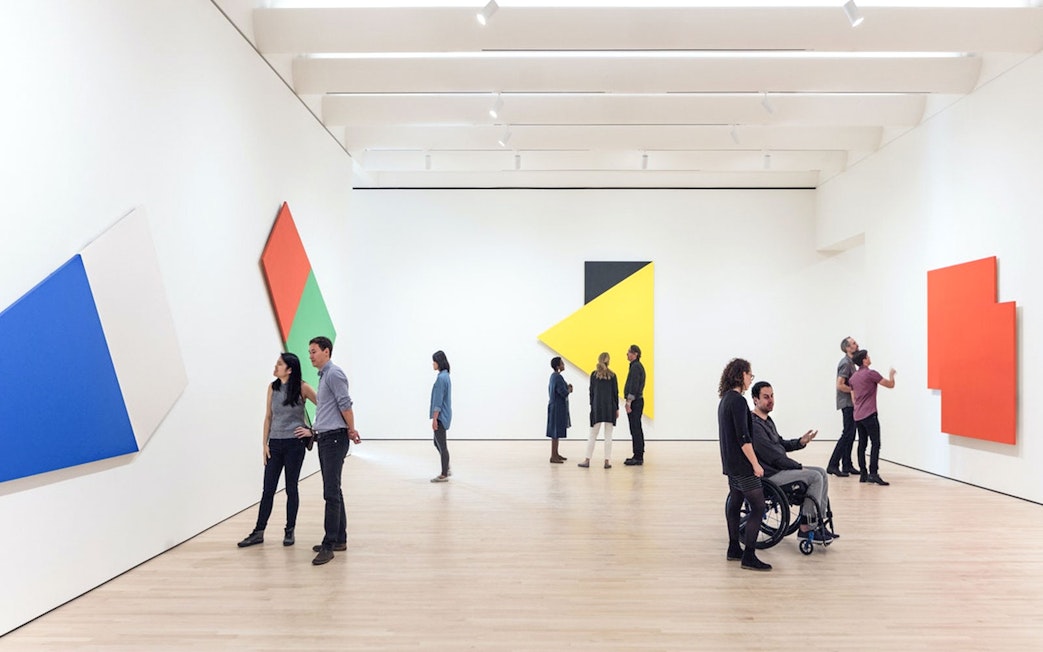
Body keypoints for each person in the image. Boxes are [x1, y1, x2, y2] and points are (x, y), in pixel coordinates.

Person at [237, 352, 317, 549]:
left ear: (289, 369)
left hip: (294, 445)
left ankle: (290, 531)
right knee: (268, 490)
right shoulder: (272, 388)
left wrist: (311, 430)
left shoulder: (303, 387)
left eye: (279, 364)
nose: (275, 367)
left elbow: (325, 407)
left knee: (291, 488)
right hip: (275, 444)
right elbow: (268, 417)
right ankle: (258, 532)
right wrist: (264, 444)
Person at [295, 336, 361, 566]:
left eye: (314, 351)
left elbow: (346, 405)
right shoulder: (324, 376)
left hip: (334, 439)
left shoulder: (334, 374)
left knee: (330, 493)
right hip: (325, 438)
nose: (310, 355)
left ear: (326, 351)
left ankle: (329, 543)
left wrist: (351, 430)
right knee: (335, 490)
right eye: (309, 351)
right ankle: (340, 539)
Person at [749, 381, 838, 542]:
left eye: (772, 396)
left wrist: (800, 442)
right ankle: (806, 527)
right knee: (814, 477)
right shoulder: (755, 425)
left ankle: (818, 522)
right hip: (770, 474)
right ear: (755, 400)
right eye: (766, 397)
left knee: (821, 472)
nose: (771, 400)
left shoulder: (767, 421)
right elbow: (774, 457)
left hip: (780, 469)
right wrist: (798, 467)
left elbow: (780, 444)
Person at [718, 358, 772, 572]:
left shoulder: (725, 400)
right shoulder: (739, 401)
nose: (751, 379)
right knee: (758, 507)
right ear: (741, 374)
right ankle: (749, 555)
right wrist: (756, 464)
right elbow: (743, 438)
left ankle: (733, 547)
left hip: (730, 462)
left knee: (736, 500)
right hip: (742, 464)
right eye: (750, 375)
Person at [850, 349, 896, 486]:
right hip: (869, 414)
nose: (869, 358)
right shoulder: (871, 374)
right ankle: (873, 473)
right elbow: (890, 385)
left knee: (862, 444)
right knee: (875, 443)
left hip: (858, 415)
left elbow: (853, 399)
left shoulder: (853, 378)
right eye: (868, 356)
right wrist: (892, 375)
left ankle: (863, 473)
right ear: (864, 360)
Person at [827, 336, 860, 477]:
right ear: (847, 348)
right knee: (847, 433)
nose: (856, 344)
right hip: (847, 403)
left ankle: (847, 465)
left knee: (851, 433)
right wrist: (854, 391)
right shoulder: (846, 363)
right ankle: (833, 464)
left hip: (851, 403)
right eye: (853, 343)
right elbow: (840, 385)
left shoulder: (851, 362)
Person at [579, 352, 618, 469]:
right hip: (610, 407)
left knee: (592, 434)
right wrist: (616, 408)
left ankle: (587, 460)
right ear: (608, 361)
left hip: (597, 407)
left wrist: (592, 405)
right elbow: (615, 393)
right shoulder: (612, 375)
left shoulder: (594, 375)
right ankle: (607, 462)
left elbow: (591, 392)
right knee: (608, 435)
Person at [429, 350, 453, 483]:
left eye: (434, 361)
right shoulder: (446, 376)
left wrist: (434, 419)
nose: (433, 364)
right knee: (436, 442)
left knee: (442, 445)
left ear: (439, 362)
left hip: (441, 416)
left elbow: (438, 401)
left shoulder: (441, 378)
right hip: (446, 414)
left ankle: (444, 473)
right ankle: (446, 466)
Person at [623, 344, 646, 466]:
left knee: (635, 428)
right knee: (636, 428)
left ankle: (638, 456)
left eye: (629, 352)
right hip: (637, 401)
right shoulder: (635, 366)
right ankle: (637, 455)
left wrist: (629, 402)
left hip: (635, 402)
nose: (627, 354)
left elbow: (634, 385)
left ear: (635, 354)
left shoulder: (636, 367)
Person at [546, 356, 572, 463]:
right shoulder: (558, 377)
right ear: (558, 366)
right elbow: (563, 392)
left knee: (555, 432)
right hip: (558, 408)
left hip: (554, 406)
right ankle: (553, 456)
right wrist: (569, 389)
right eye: (562, 363)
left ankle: (555, 453)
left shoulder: (553, 376)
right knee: (555, 432)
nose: (563, 365)